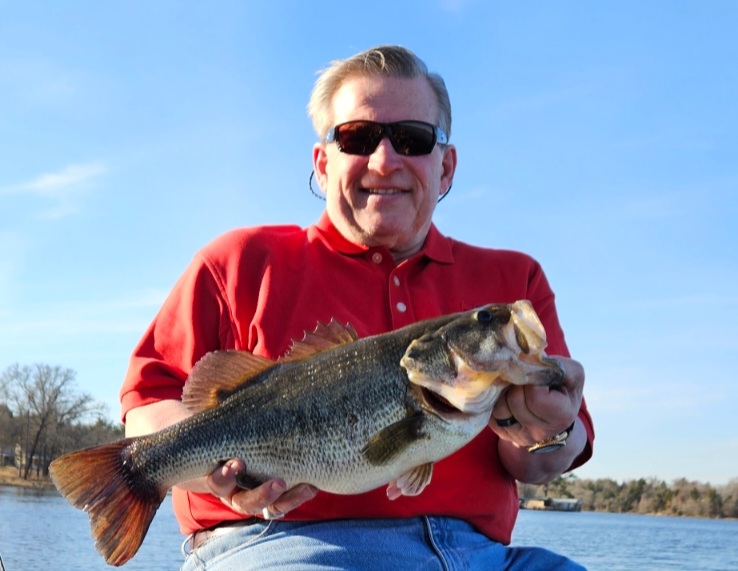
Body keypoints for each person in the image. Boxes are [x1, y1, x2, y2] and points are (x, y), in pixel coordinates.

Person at [121, 45, 594, 571]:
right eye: (357, 138)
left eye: (412, 139)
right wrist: (214, 475)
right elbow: (147, 407)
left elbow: (544, 462)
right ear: (323, 164)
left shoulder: (513, 282)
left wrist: (549, 430)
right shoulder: (236, 261)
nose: (385, 160)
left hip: (480, 555)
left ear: (446, 166)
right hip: (276, 543)